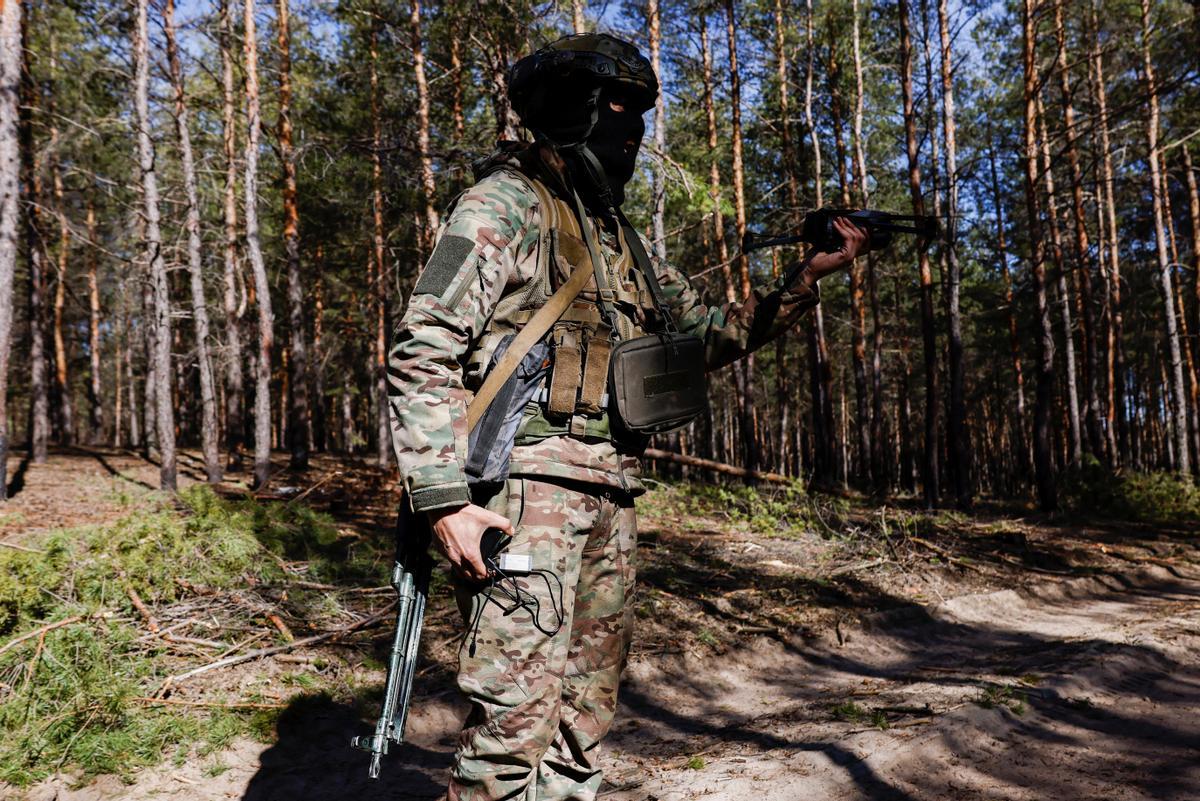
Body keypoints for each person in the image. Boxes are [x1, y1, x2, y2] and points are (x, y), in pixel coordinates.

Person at [387, 32, 866, 801]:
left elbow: (711, 331)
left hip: (611, 491)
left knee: (583, 722)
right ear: (572, 109)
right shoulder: (505, 203)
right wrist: (445, 499)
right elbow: (422, 346)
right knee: (513, 727)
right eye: (617, 106)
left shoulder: (618, 236)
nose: (632, 127)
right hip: (525, 494)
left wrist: (806, 276)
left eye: (640, 111)